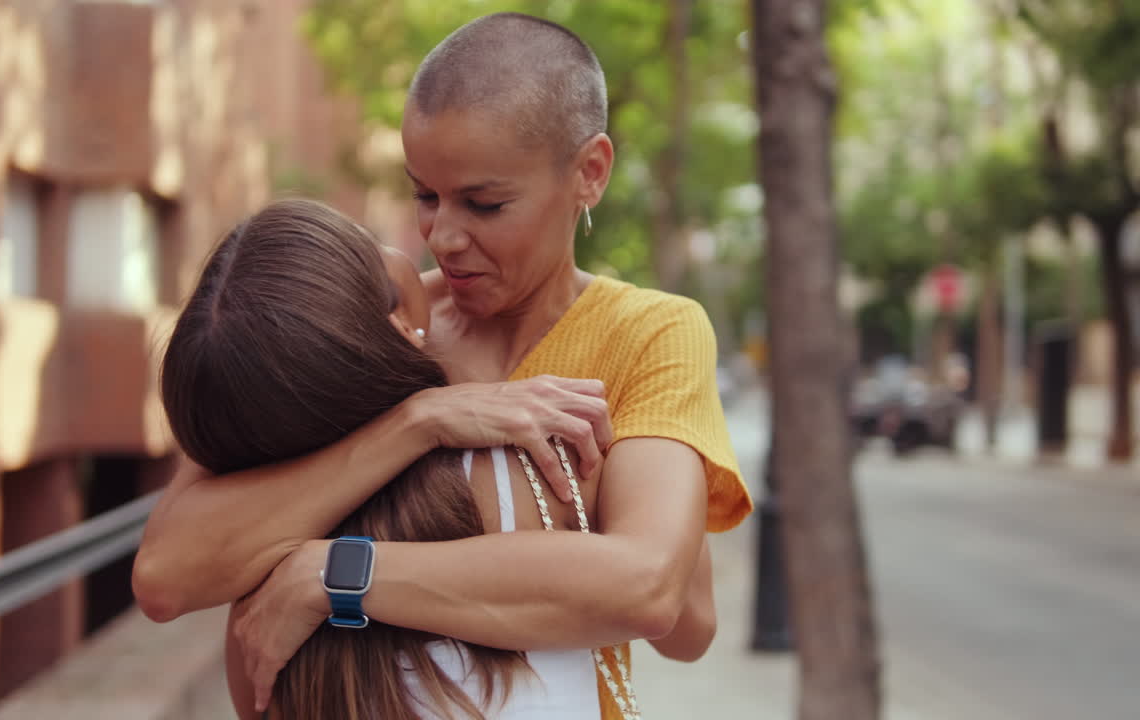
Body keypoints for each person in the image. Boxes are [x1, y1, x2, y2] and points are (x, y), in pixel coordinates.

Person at [133, 13, 752, 720]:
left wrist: (335, 574)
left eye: (484, 203)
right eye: (425, 195)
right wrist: (420, 420)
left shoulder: (648, 332)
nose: (444, 237)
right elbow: (166, 575)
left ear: (590, 172)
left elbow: (667, 606)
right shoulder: (362, 325)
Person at [160, 198, 612, 719]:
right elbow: (669, 606)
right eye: (372, 246)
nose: (434, 245)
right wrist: (422, 417)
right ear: (398, 327)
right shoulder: (538, 466)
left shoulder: (258, 602)